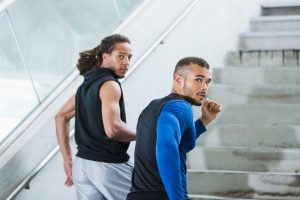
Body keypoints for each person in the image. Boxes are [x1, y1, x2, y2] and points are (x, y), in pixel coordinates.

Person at [126, 57, 222, 200]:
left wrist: (203, 121)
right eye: (198, 79)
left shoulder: (154, 106)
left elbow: (178, 142)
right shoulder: (181, 107)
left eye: (207, 81)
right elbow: (166, 148)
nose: (204, 87)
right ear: (178, 79)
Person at [55, 34, 136, 200]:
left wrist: (67, 160)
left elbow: (60, 116)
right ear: (105, 57)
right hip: (107, 166)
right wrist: (146, 132)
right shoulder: (110, 85)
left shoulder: (85, 86)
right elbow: (113, 129)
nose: (126, 62)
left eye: (129, 57)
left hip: (82, 166)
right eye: (121, 56)